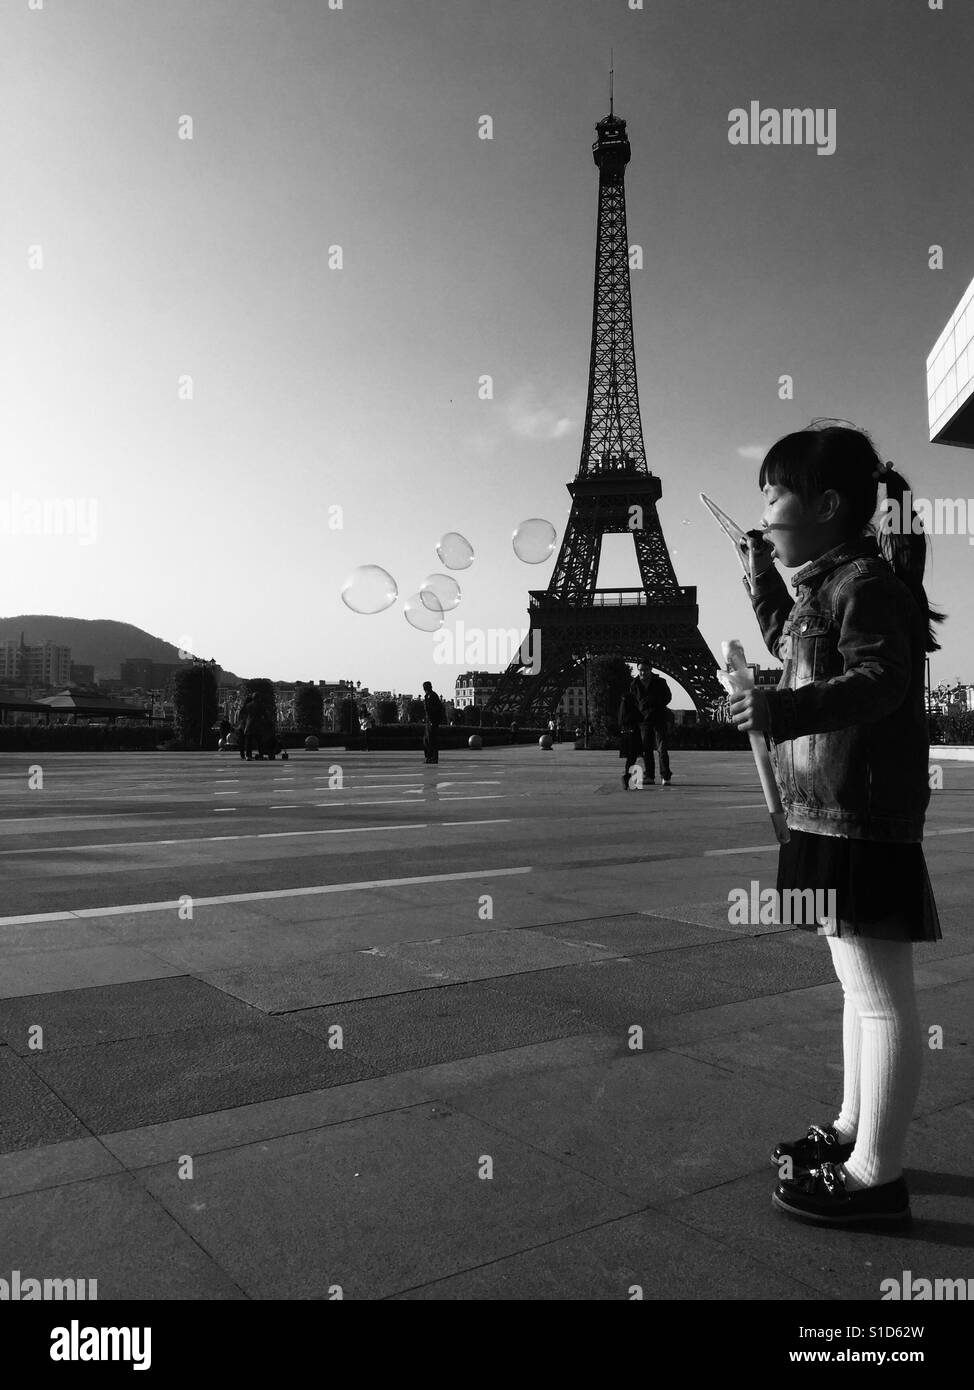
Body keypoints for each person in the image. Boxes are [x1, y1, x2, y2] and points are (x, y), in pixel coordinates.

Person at [728, 422, 946, 1227]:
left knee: (880, 997)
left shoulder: (866, 584)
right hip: (830, 810)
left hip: (860, 814)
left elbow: (881, 679)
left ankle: (878, 1178)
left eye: (774, 496)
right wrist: (758, 578)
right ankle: (857, 1131)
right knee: (857, 990)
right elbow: (795, 644)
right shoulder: (828, 586)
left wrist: (779, 708)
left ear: (825, 504)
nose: (767, 513)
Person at [618, 662, 673, 788]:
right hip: (643, 720)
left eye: (645, 670)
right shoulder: (634, 684)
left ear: (650, 669)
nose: (642, 672)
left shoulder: (660, 682)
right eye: (640, 670)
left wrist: (654, 703)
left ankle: (665, 776)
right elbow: (632, 702)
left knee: (662, 748)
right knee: (646, 749)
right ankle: (649, 776)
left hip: (658, 717)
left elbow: (668, 697)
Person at [422, 681, 444, 764]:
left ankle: (433, 758)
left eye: (425, 687)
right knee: (426, 740)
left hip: (433, 721)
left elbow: (436, 709)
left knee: (432, 740)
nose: (424, 689)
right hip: (429, 720)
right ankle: (429, 757)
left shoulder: (433, 696)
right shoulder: (427, 696)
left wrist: (433, 720)